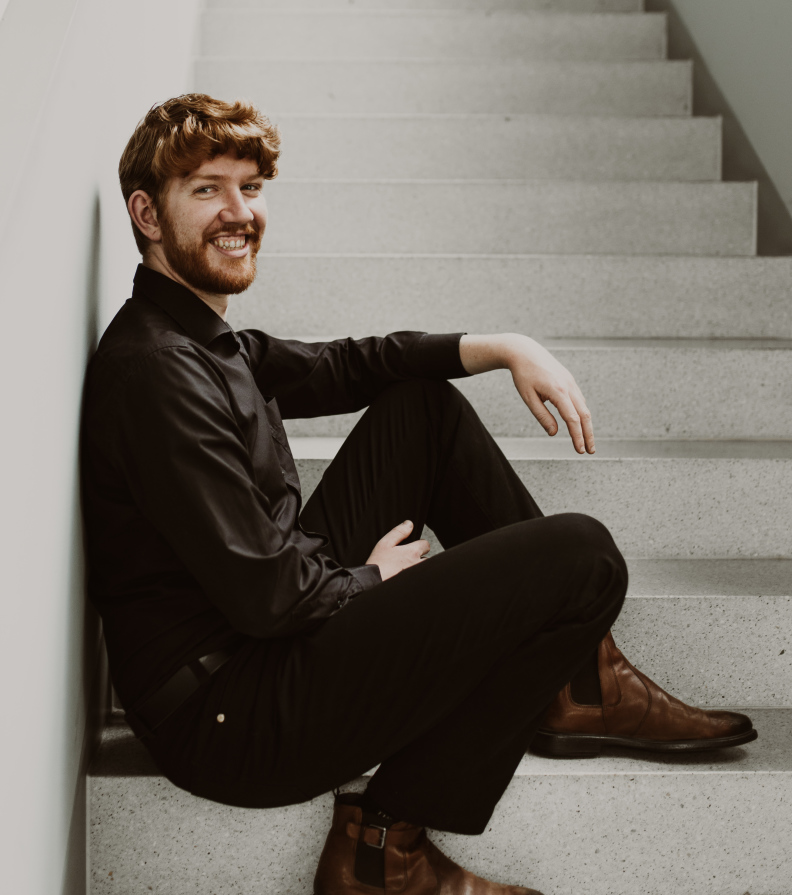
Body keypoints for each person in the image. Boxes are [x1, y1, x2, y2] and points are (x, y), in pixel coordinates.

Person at [80, 94, 756, 895]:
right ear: (147, 215)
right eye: (207, 190)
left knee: (420, 409)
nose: (240, 212)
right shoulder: (159, 373)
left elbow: (348, 364)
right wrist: (371, 582)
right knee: (584, 557)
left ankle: (581, 682)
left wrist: (500, 347)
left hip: (249, 648)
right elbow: (270, 597)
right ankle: (383, 849)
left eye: (251, 188)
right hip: (234, 717)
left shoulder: (196, 337)